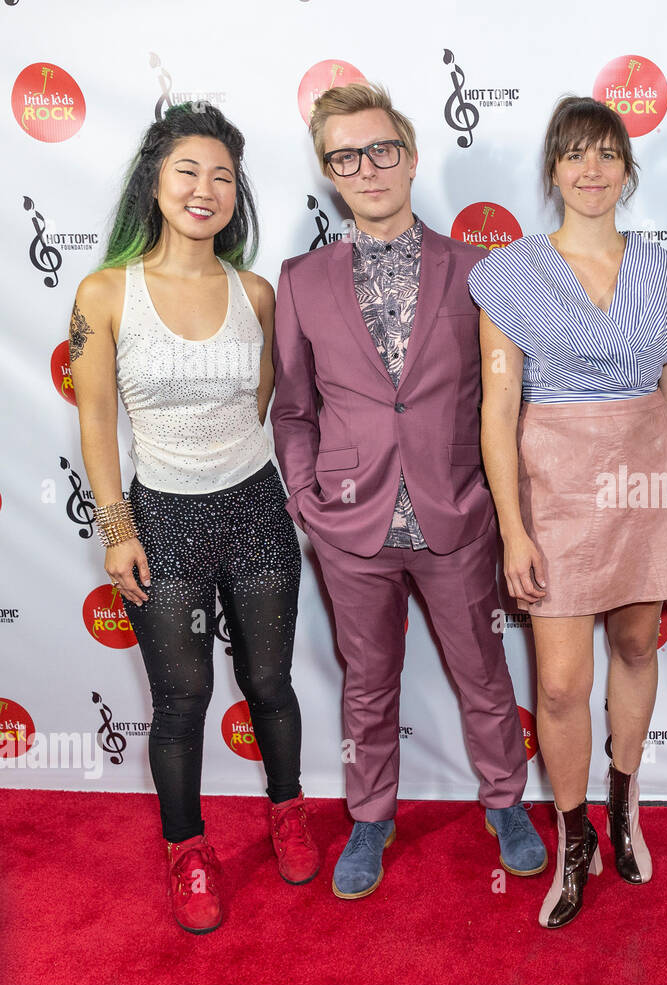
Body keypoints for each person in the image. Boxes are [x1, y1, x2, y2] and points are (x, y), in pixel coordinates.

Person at [271, 83, 544, 900]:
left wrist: (504, 506)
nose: (368, 167)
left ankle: (506, 802)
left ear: (411, 155)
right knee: (367, 684)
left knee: (486, 677)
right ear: (330, 172)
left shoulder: (480, 271)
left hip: (456, 513)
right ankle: (371, 815)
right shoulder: (300, 278)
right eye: (346, 156)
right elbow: (293, 407)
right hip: (350, 524)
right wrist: (306, 500)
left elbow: (509, 399)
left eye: (381, 149)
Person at [70, 103, 317, 934]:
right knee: (181, 701)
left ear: (236, 191)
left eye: (222, 175)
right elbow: (96, 419)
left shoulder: (255, 290)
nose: (205, 189)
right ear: (156, 182)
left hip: (254, 507)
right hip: (161, 519)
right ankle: (188, 849)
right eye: (189, 171)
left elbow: (259, 403)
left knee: (270, 684)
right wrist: (118, 530)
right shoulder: (105, 293)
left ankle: (287, 809)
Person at [471, 96, 667, 928]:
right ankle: (575, 840)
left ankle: (624, 799)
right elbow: (497, 412)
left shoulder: (659, 269)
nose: (591, 170)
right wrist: (512, 526)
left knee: (639, 642)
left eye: (606, 154)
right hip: (557, 488)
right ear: (552, 171)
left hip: (648, 477)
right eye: (574, 154)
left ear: (626, 170)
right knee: (565, 681)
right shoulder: (511, 273)